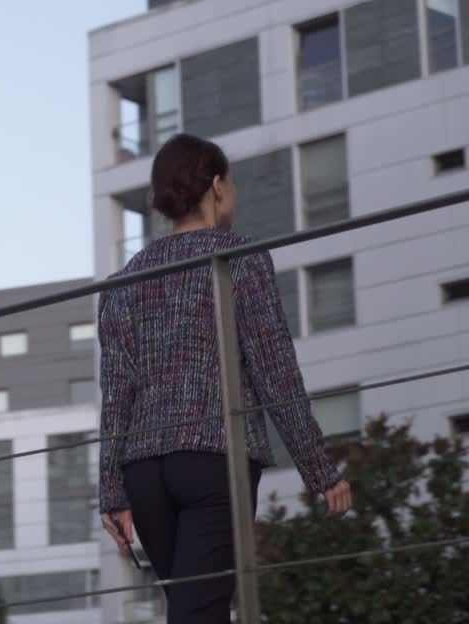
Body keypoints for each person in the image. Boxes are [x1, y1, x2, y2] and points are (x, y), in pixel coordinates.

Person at [96, 133, 352, 623]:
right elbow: (274, 369)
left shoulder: (123, 281)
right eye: (230, 184)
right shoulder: (238, 257)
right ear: (216, 186)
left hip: (144, 474)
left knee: (197, 611)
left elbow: (117, 393)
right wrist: (320, 470)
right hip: (214, 461)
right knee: (200, 614)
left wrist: (112, 489)